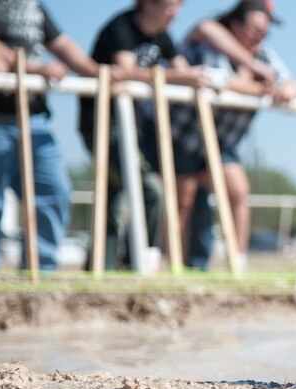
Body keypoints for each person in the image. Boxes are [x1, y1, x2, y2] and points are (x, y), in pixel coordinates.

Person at [0, 0, 95, 272]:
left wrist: (97, 71)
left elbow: (62, 44)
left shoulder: (32, 5)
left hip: (34, 117)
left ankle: (42, 271)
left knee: (54, 192)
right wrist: (40, 69)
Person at [79, 0, 208, 271]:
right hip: (103, 123)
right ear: (149, 4)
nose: (177, 13)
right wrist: (178, 75)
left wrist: (195, 77)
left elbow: (183, 69)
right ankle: (136, 261)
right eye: (171, 5)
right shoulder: (121, 27)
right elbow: (126, 69)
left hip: (132, 126)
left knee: (114, 196)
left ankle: (102, 266)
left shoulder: (162, 36)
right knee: (148, 190)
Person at [172, 0, 296, 270]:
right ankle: (174, 264)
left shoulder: (265, 56)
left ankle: (237, 261)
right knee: (182, 203)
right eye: (255, 29)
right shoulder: (209, 45)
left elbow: (290, 82)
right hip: (183, 137)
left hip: (219, 144)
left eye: (265, 30)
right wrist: (259, 84)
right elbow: (217, 81)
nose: (260, 36)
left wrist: (287, 88)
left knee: (239, 192)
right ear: (236, 25)